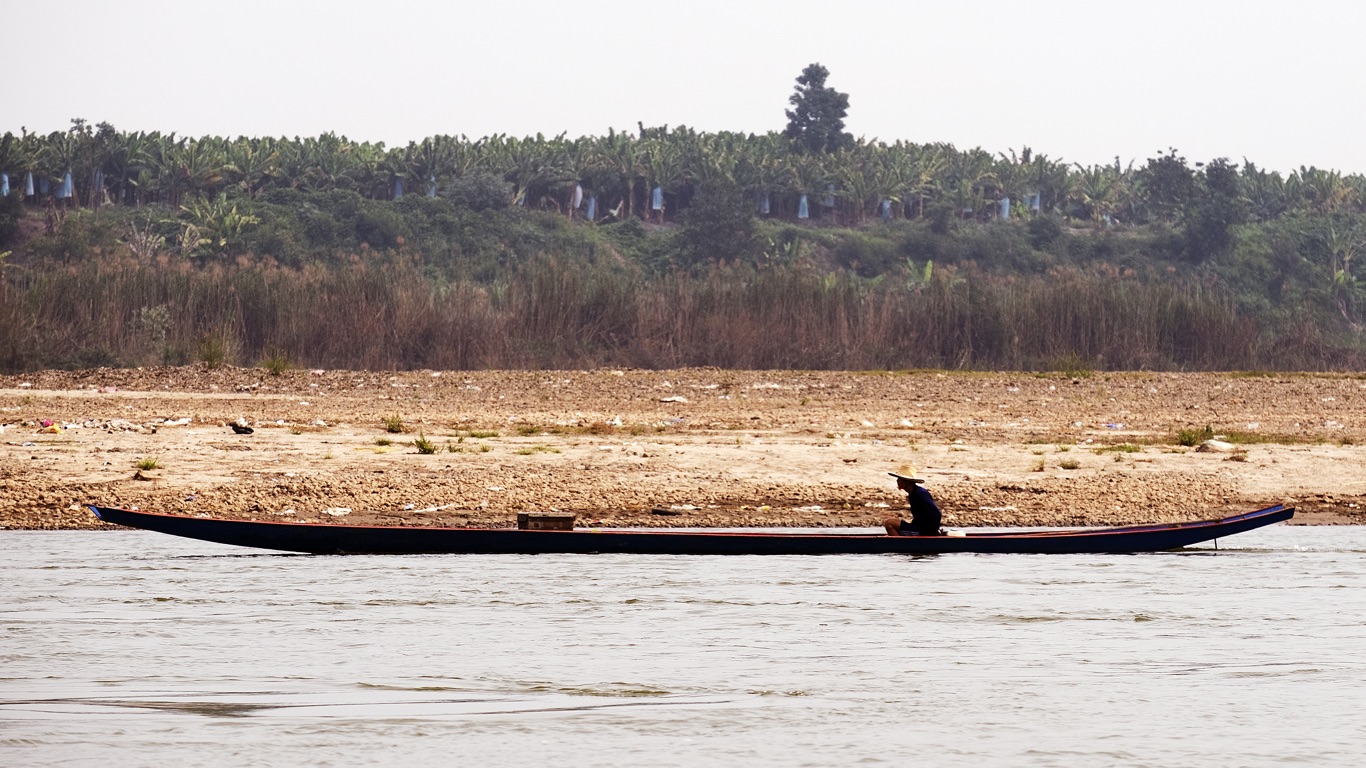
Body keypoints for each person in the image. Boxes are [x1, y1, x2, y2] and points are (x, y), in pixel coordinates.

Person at [882, 472, 944, 536]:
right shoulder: (913, 493)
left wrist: (931, 533)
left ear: (907, 482)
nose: (897, 481)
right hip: (917, 527)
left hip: (922, 531)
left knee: (889, 523)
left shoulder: (919, 493)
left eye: (900, 479)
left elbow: (936, 514)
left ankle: (899, 545)